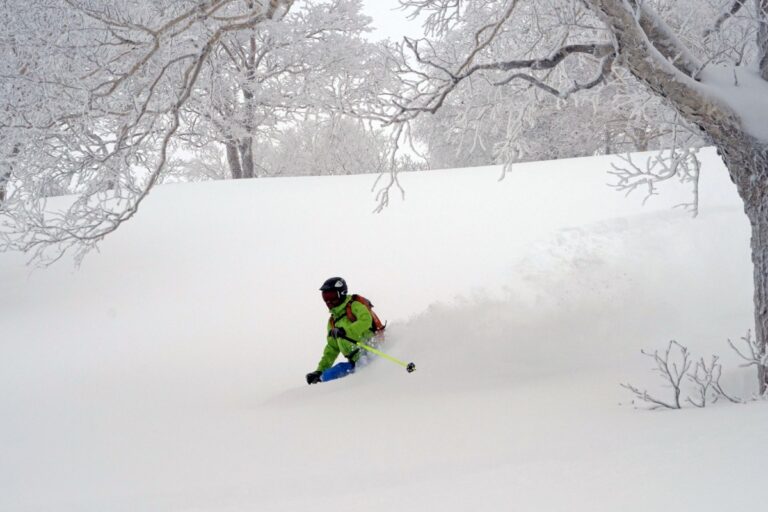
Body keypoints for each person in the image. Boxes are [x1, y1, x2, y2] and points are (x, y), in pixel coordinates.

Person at [306, 277, 382, 385]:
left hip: (372, 353)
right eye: (325, 297)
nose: (328, 301)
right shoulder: (333, 322)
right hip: (355, 363)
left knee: (336, 374)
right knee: (327, 375)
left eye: (331, 296)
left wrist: (346, 331)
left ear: (342, 293)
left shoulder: (354, 305)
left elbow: (366, 320)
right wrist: (319, 371)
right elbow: (332, 349)